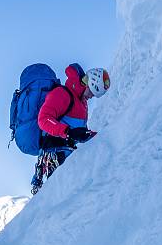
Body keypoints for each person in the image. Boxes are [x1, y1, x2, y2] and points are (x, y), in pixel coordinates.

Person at [30, 64, 110, 194]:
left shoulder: (82, 105)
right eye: (91, 92)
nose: (91, 97)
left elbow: (79, 134)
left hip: (69, 159)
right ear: (87, 84)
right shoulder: (62, 94)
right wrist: (68, 132)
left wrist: (102, 135)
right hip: (54, 156)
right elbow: (43, 119)